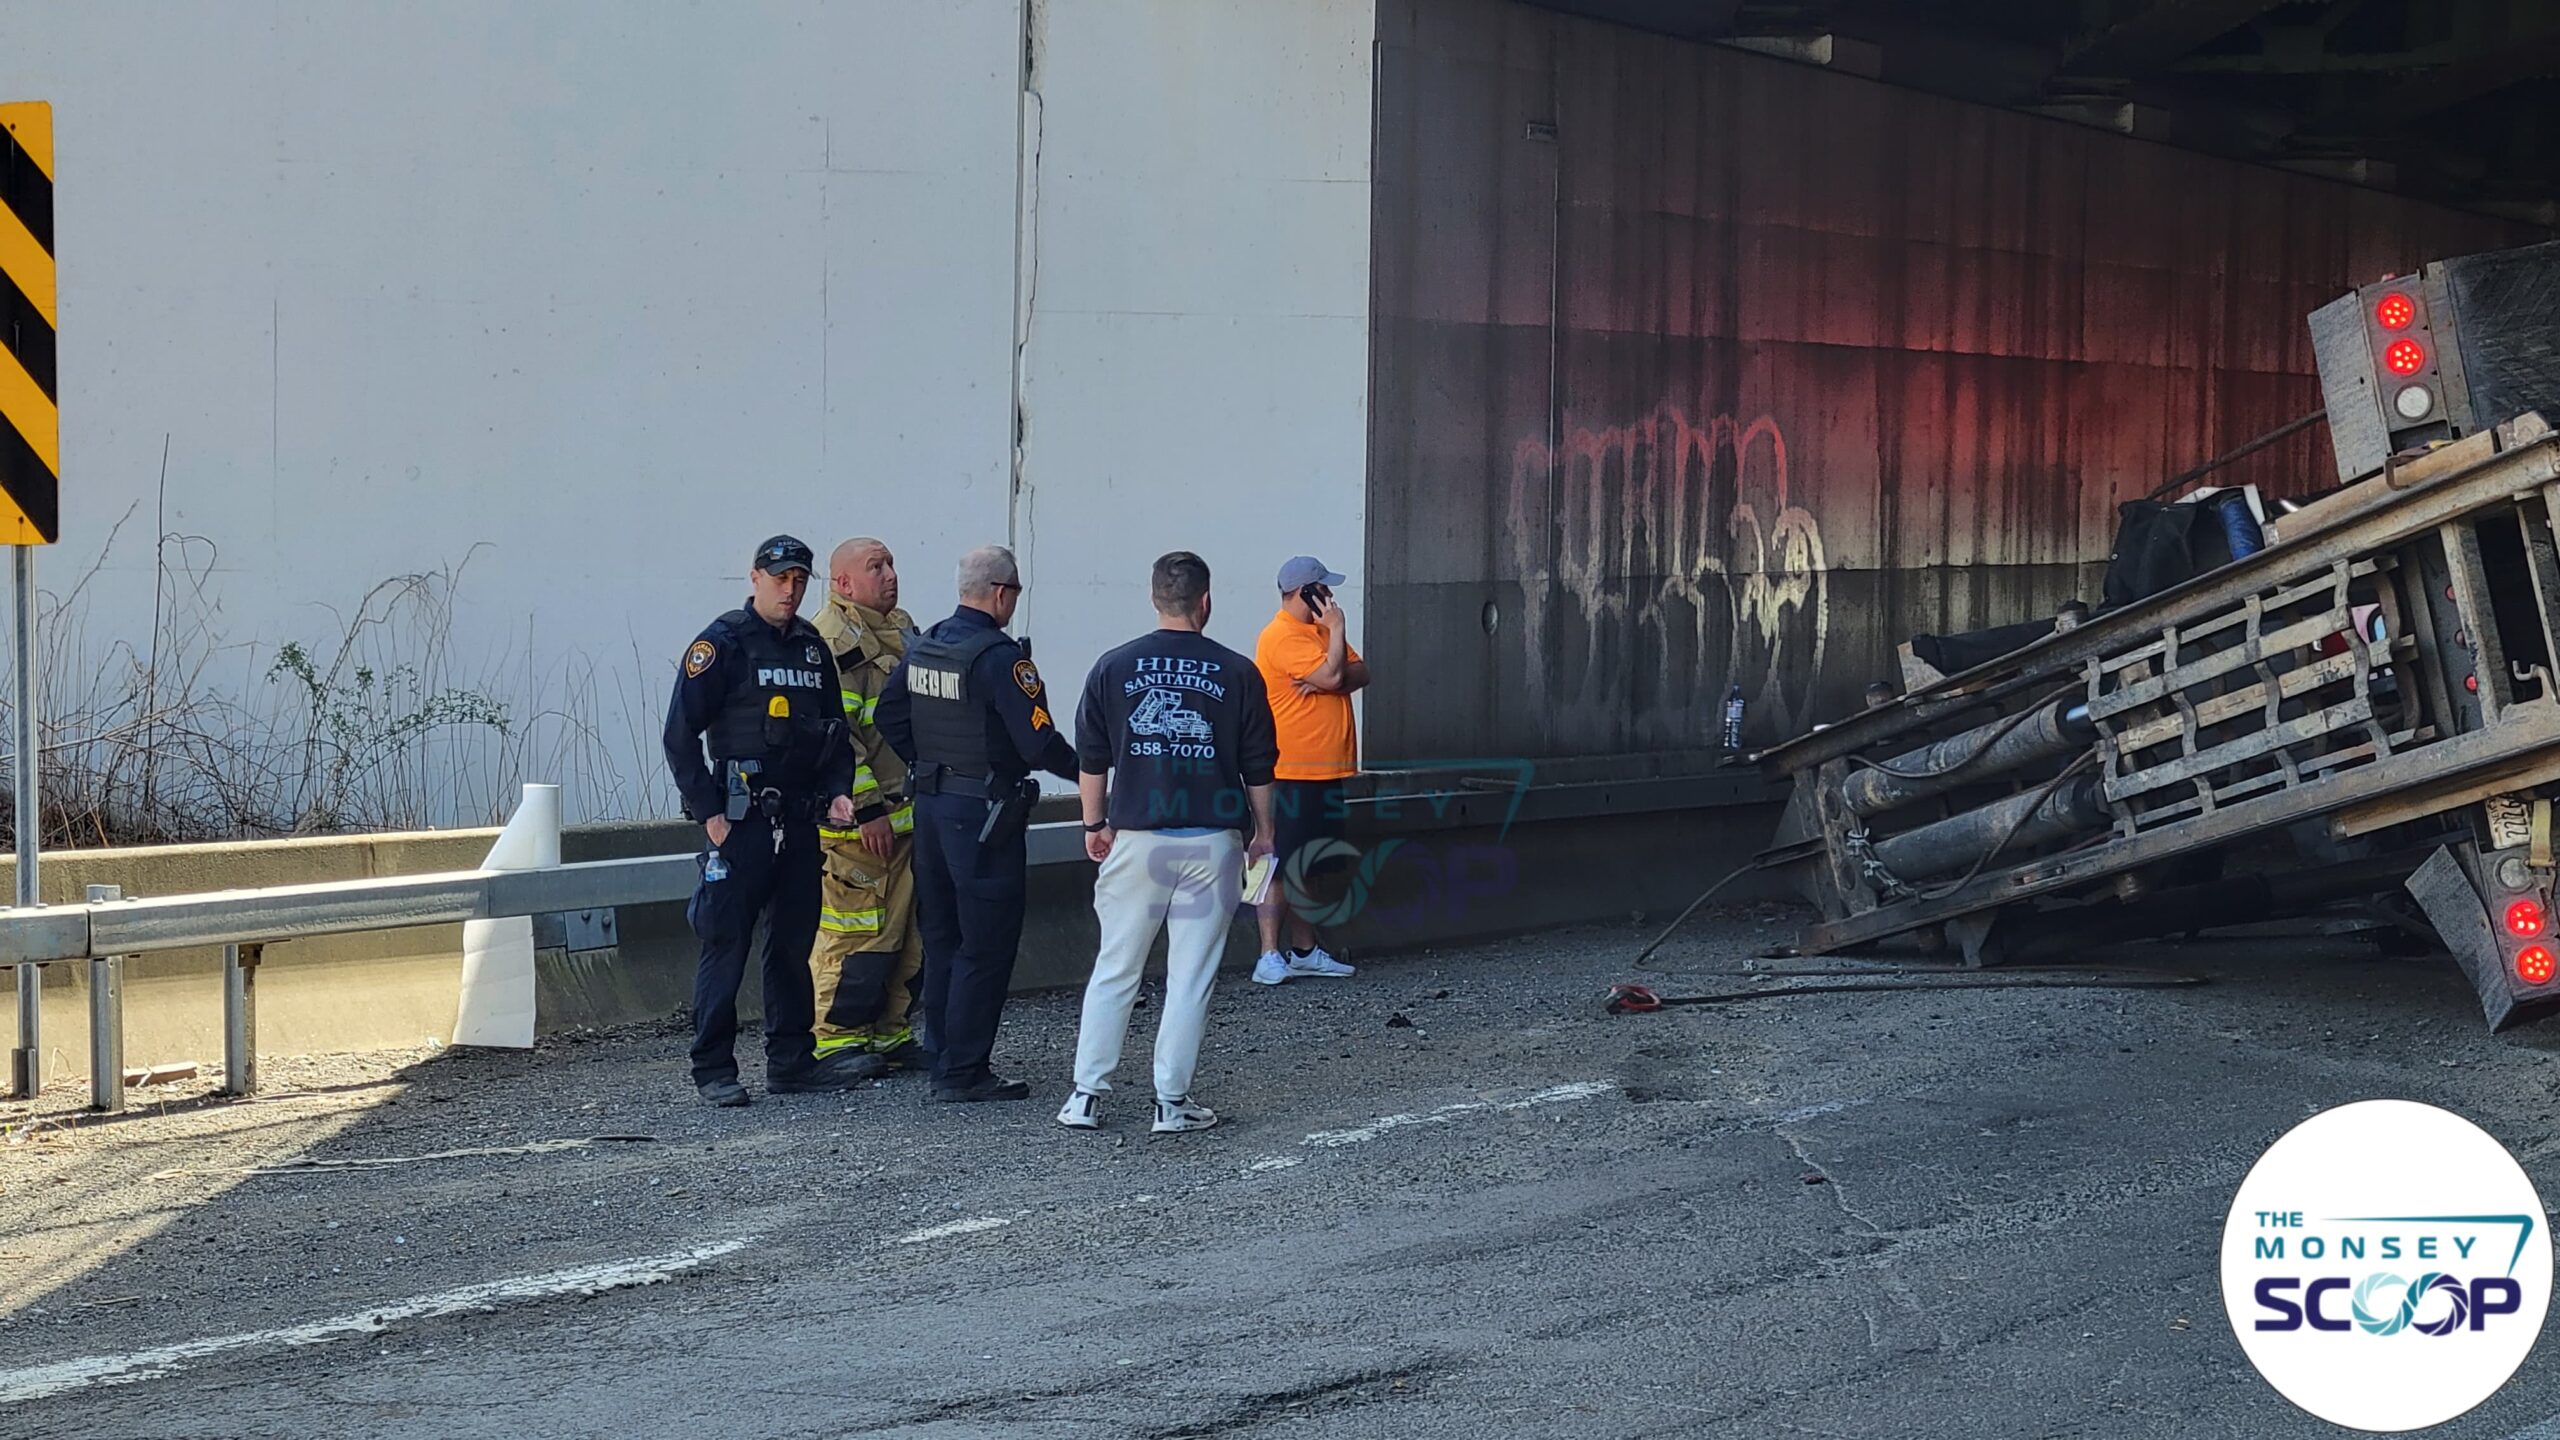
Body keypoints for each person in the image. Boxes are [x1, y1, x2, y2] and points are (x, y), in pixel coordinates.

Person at [663, 535, 887, 1106]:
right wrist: (710, 815)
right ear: (755, 577)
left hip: (801, 819)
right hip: (742, 822)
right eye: (780, 577)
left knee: (791, 946)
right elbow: (679, 736)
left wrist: (840, 794)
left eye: (798, 580)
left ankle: (791, 1062)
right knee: (726, 945)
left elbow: (836, 734)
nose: (790, 589)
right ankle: (713, 1069)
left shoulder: (812, 648)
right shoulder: (723, 645)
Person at [1057, 552, 1277, 1135]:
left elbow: (1092, 757)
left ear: (1155, 599)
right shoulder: (1237, 671)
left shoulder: (1114, 666)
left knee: (1116, 967)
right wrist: (1264, 836)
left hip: (1137, 839)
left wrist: (1093, 825)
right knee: (1190, 977)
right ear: (1205, 601)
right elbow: (1258, 765)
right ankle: (1171, 1102)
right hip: (1212, 840)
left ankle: (1085, 1095)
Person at [877, 544, 1078, 1102]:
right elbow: (1039, 744)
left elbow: (887, 714)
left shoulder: (928, 644)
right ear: (1000, 592)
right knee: (985, 943)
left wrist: (928, 763)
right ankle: (963, 1071)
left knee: (941, 936)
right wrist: (1092, 769)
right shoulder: (1000, 658)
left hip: (933, 810)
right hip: (985, 817)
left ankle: (943, 1050)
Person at [807, 537, 926, 1066]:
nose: (890, 573)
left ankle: (889, 1033)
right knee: (854, 932)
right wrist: (869, 808)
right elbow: (838, 736)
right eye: (875, 567)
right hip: (860, 823)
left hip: (906, 814)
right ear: (843, 583)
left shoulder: (901, 628)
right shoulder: (831, 640)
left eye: (891, 563)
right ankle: (835, 1038)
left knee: (904, 932)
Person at [1250, 555, 1368, 986]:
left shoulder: (1318, 632)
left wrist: (1332, 673)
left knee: (1311, 865)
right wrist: (1336, 642)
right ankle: (1266, 953)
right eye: (1325, 588)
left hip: (1325, 769)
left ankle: (1304, 949)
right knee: (1276, 860)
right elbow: (1338, 672)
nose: (1332, 598)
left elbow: (1360, 672)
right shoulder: (1282, 636)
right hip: (1290, 769)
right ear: (1307, 592)